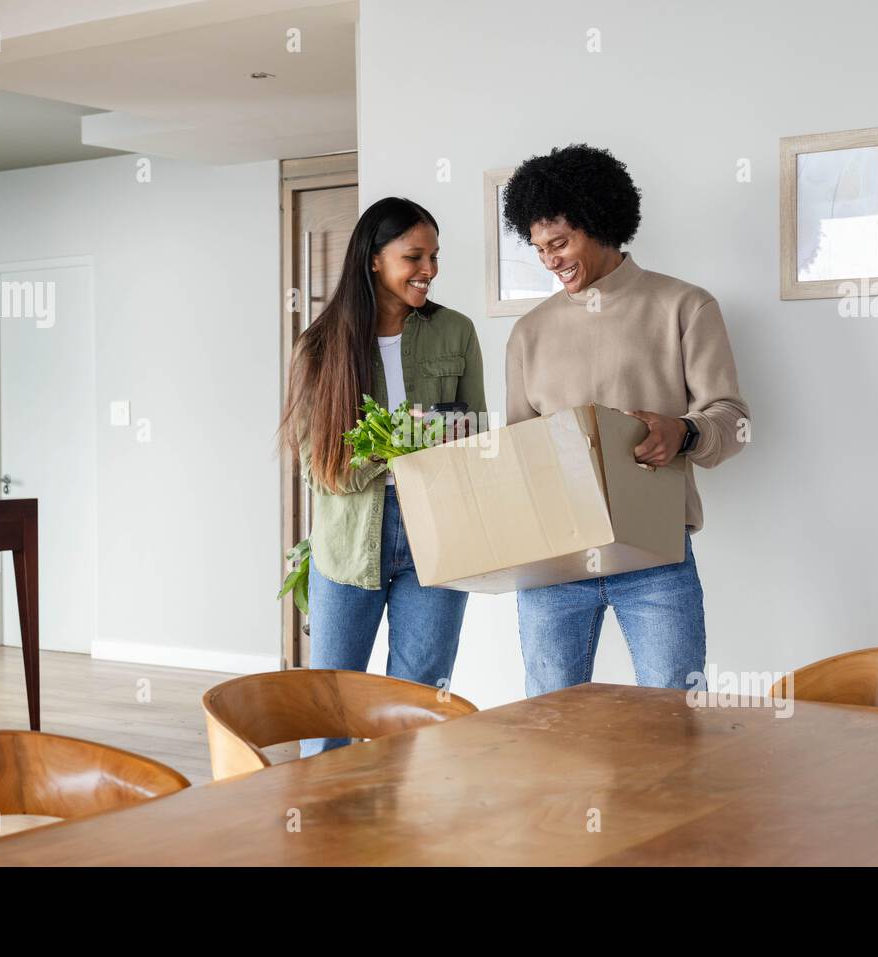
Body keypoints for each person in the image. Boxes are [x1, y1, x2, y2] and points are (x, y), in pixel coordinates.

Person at [502, 143, 750, 697]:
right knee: (549, 723)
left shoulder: (685, 306)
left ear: (600, 223)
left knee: (673, 715)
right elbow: (520, 452)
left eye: (560, 243)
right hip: (552, 560)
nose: (550, 260)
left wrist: (683, 433)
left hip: (655, 552)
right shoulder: (528, 333)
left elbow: (732, 420)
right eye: (538, 248)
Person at [280, 196, 486, 753]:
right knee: (331, 708)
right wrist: (395, 443)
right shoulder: (321, 346)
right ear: (374, 259)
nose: (429, 270)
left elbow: (480, 436)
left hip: (437, 536)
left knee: (417, 704)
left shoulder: (456, 332)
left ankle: (399, 830)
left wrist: (452, 436)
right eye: (414, 256)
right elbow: (321, 473)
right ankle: (322, 829)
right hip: (349, 542)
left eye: (434, 257)